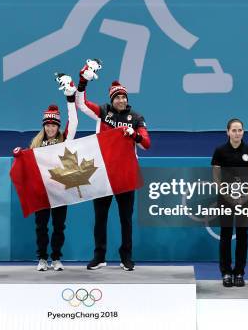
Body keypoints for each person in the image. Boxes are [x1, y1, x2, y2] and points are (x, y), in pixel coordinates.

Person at [76, 60, 151, 271]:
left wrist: (134, 134)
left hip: (126, 176)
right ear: (112, 99)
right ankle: (99, 256)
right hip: (102, 173)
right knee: (100, 218)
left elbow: (146, 144)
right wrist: (83, 82)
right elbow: (81, 104)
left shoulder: (135, 118)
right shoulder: (103, 112)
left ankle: (126, 257)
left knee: (125, 219)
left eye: (123, 97)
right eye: (117, 97)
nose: (121, 99)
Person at [20, 74, 78, 271]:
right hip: (41, 192)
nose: (51, 128)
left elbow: (74, 122)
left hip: (60, 190)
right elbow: (28, 167)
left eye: (54, 125)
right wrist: (19, 155)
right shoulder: (35, 144)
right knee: (41, 227)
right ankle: (42, 258)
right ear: (43, 126)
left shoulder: (65, 140)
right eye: (48, 124)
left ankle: (56, 258)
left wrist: (70, 99)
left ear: (58, 126)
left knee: (59, 227)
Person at [211, 118, 248, 287]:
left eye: (240, 130)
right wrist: (227, 196)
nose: (237, 133)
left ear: (243, 132)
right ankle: (225, 272)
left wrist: (246, 196)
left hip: (245, 200)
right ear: (228, 132)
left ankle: (239, 271)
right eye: (234, 130)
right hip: (225, 199)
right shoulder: (220, 151)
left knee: (242, 235)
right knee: (225, 234)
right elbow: (216, 177)